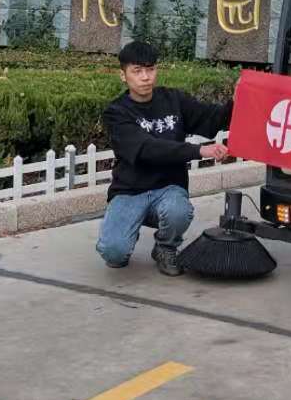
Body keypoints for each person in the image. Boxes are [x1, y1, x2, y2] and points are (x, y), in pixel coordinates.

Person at [98, 40, 232, 276]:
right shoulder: (116, 112)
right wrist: (199, 151)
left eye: (150, 69)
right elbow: (147, 149)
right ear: (123, 75)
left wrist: (239, 99)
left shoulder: (173, 100)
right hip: (130, 191)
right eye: (137, 71)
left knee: (179, 210)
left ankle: (165, 247)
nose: (145, 77)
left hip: (168, 188)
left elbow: (212, 120)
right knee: (114, 253)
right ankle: (127, 227)